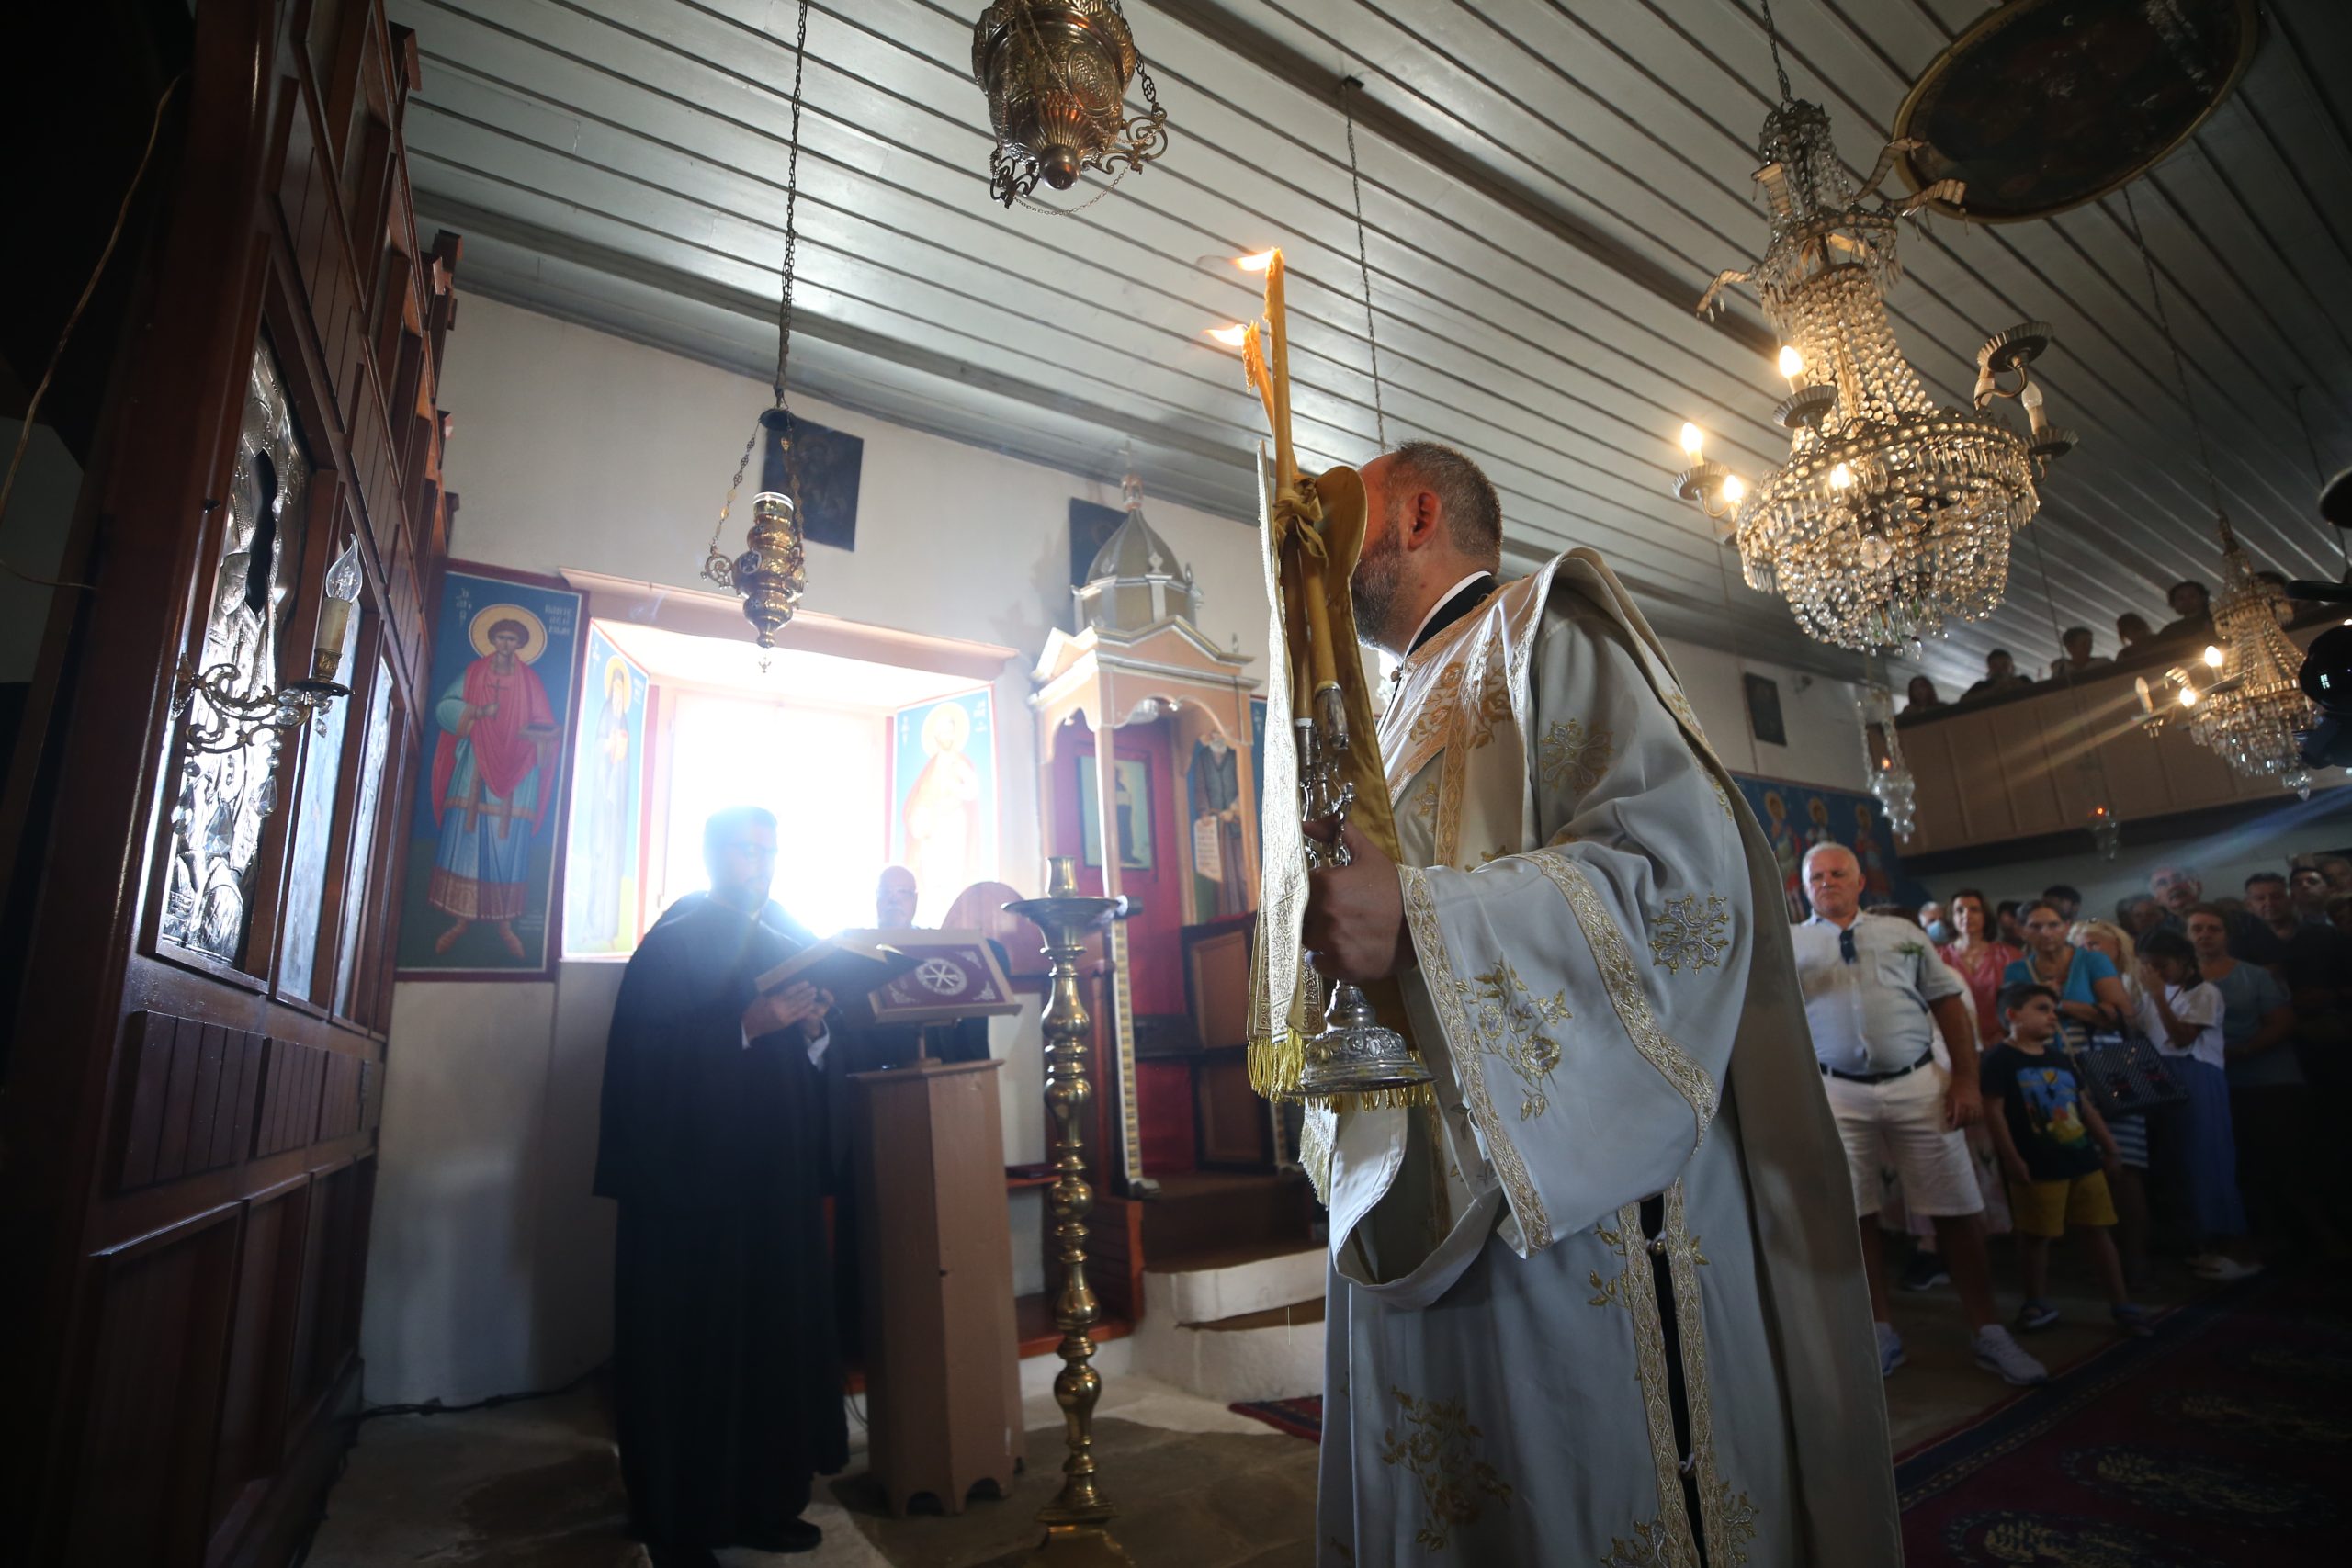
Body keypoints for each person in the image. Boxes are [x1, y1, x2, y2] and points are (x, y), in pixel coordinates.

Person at [1300, 440, 1900, 1562]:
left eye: (1349, 513)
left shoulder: (1542, 629)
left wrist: (1423, 923)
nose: (1323, 547)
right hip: (1417, 1174)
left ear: (1418, 513)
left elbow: (1681, 887)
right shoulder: (1376, 721)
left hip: (1569, 1194)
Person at [593, 807, 847, 1564]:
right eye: (747, 850)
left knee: (772, 1341)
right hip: (693, 1200)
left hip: (770, 1191)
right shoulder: (673, 942)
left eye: (771, 850)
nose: (761, 864)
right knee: (696, 1352)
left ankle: (766, 1501)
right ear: (713, 856)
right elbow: (644, 1064)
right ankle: (685, 1515)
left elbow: (803, 1063)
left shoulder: (790, 937)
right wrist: (746, 1024)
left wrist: (810, 1032)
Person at [1792, 844, 2047, 1385]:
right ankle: (1880, 1330)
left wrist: (1965, 1080)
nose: (1828, 882)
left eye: (1839, 873)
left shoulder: (1904, 936)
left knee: (1957, 1207)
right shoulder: (1788, 944)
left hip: (1918, 1084)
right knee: (1854, 1213)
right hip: (1835, 1092)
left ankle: (1987, 1331)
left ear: (1861, 883)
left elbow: (1948, 1004)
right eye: (1817, 876)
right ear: (1803, 886)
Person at [1980, 984, 2152, 1337]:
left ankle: (2120, 1302)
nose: (2052, 1016)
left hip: (2082, 1159)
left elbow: (2084, 1108)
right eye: (2042, 1008)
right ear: (2013, 1015)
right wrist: (2011, 1159)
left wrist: (2111, 1148)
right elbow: (1993, 1113)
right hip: (2037, 1163)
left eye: (2053, 1009)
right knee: (2036, 1236)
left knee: (2098, 1229)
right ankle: (2036, 1302)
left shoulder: (2059, 1058)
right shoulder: (1999, 1059)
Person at [2188, 903, 2321, 1253]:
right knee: (2237, 1165)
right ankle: (2253, 1238)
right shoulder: (2181, 982)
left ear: (2226, 935)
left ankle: (2308, 1239)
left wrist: (2243, 1050)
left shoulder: (2253, 975)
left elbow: (2283, 1021)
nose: (2204, 934)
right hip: (2215, 1085)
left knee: (2281, 1161)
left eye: (2212, 928)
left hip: (2266, 1079)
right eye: (2197, 928)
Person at [427, 614, 562, 958]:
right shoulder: (473, 674)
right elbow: (445, 707)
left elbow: (546, 723)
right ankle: (460, 918)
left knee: (507, 843)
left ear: (520, 645)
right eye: (500, 638)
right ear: (492, 640)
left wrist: (542, 737)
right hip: (475, 764)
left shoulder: (531, 681)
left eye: (512, 640)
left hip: (517, 772)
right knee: (468, 838)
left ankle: (503, 922)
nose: (506, 645)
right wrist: (475, 711)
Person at [2135, 929, 2258, 1281]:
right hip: (2160, 1076)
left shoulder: (2205, 992)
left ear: (2185, 962)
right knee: (2177, 1163)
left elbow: (2182, 1038)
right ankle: (2200, 1244)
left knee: (2208, 1159)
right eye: (2148, 968)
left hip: (2196, 1077)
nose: (2156, 974)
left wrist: (2157, 995)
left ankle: (2237, 1248)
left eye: (2162, 966)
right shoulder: (2152, 996)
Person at [2071, 920, 2157, 1287]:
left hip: (2118, 1075)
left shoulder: (2127, 985)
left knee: (2126, 1167)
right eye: (2080, 946)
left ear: (2118, 949)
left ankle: (2136, 1259)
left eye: (2095, 944)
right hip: (2077, 1079)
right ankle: (2100, 1260)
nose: (2086, 951)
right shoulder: (2073, 982)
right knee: (2086, 1172)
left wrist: (2070, 1006)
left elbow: (2127, 1024)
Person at [2246, 871, 2352, 1095]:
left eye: (2276, 896)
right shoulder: (2240, 950)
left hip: (2330, 1039)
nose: (2269, 903)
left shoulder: (2327, 936)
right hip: (2271, 1049)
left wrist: (2333, 996)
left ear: (2290, 898)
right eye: (2260, 898)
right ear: (2249, 904)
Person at [2003, 902, 2128, 1045]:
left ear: (2067, 927)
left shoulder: (2093, 960)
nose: (2045, 933)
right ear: (2021, 931)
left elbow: (2123, 1016)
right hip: (2044, 1060)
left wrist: (2058, 1004)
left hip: (2098, 1057)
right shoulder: (2015, 971)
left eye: (2054, 925)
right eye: (2035, 926)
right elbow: (2011, 1024)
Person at [1938, 889, 2020, 1049]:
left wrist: (2005, 1032)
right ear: (1951, 918)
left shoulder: (2009, 955)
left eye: (1974, 910)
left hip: (2005, 1040)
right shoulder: (1937, 958)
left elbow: (2021, 1000)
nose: (1966, 915)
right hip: (1954, 1044)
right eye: (1959, 910)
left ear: (1986, 916)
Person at [2156, 580, 2215, 645]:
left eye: (2192, 596)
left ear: (2203, 598)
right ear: (2173, 603)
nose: (2187, 601)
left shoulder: (2216, 620)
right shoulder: (2171, 630)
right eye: (2181, 598)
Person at [1962, 649, 2030, 699]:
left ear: (2012, 668)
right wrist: (1993, 691)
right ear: (1989, 668)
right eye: (1995, 666)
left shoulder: (2023, 680)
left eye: (2005, 665)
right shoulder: (1981, 686)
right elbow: (1963, 701)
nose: (2000, 669)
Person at [2047, 627, 2111, 680]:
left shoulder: (2103, 663)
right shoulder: (2061, 669)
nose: (2088, 646)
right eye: (2084, 643)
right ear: (2070, 647)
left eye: (2090, 643)